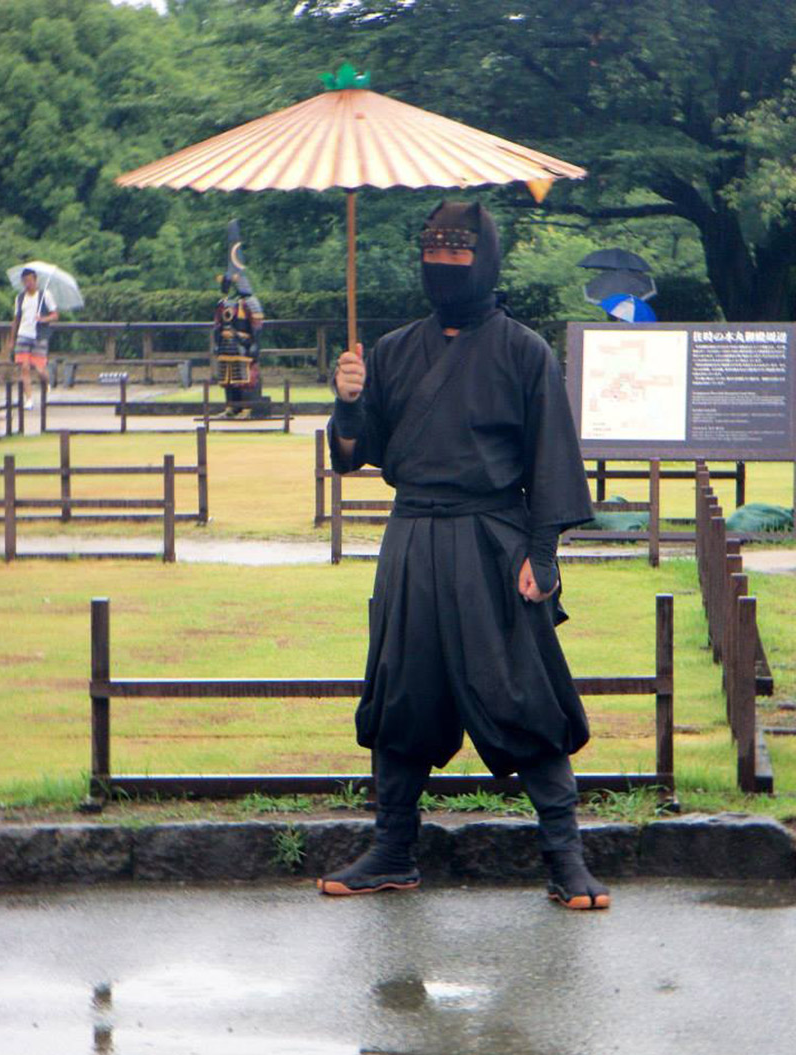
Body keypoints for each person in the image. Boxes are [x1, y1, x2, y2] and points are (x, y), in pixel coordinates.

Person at [319, 201, 610, 910]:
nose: (443, 271)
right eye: (434, 259)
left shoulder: (522, 350)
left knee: (522, 691)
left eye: (457, 259)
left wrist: (541, 555)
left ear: (485, 262)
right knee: (401, 692)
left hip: (492, 539)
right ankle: (392, 852)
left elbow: (550, 462)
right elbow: (357, 457)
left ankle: (564, 857)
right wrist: (349, 402)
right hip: (414, 537)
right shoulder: (389, 352)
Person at [213, 220, 263, 419]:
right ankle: (231, 407)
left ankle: (247, 408)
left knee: (244, 378)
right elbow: (217, 325)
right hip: (226, 346)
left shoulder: (250, 302)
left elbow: (257, 327)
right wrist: (217, 343)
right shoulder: (223, 303)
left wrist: (255, 346)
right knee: (228, 378)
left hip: (243, 344)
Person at [7, 267, 58, 410]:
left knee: (40, 369)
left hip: (39, 336)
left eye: (30, 280)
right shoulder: (20, 297)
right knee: (24, 367)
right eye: (25, 281)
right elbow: (16, 319)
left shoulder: (44, 295)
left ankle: (47, 381)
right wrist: (12, 338)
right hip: (23, 334)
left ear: (35, 280)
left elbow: (55, 315)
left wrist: (43, 318)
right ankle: (28, 399)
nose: (28, 283)